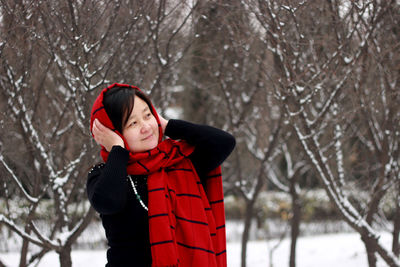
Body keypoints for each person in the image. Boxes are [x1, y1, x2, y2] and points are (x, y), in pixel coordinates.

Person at [87, 83, 235, 267]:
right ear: (113, 132)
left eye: (148, 115)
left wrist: (169, 126)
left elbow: (224, 142)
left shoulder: (180, 161)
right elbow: (107, 202)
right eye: (133, 123)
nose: (146, 127)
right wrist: (117, 150)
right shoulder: (105, 174)